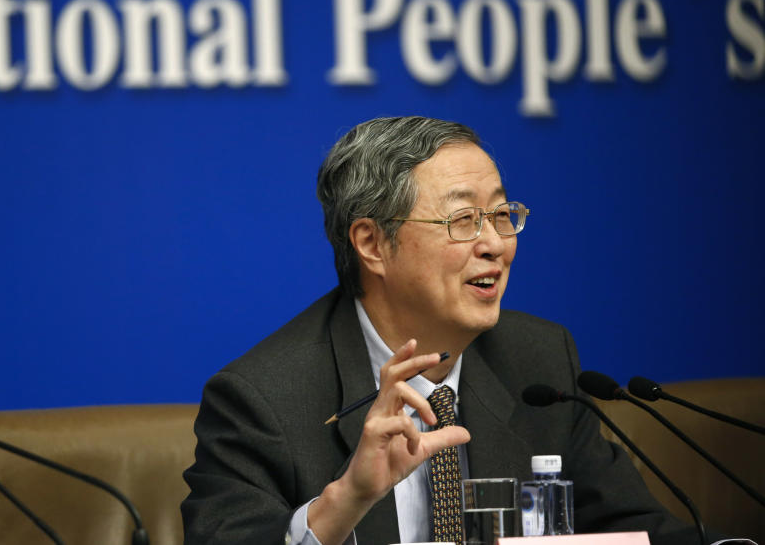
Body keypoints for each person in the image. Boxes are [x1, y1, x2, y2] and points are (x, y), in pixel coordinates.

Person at [181, 117, 697, 544]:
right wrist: (345, 501)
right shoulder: (265, 398)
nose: (496, 243)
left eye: (501, 214)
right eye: (464, 219)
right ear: (372, 243)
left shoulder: (537, 361)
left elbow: (633, 527)